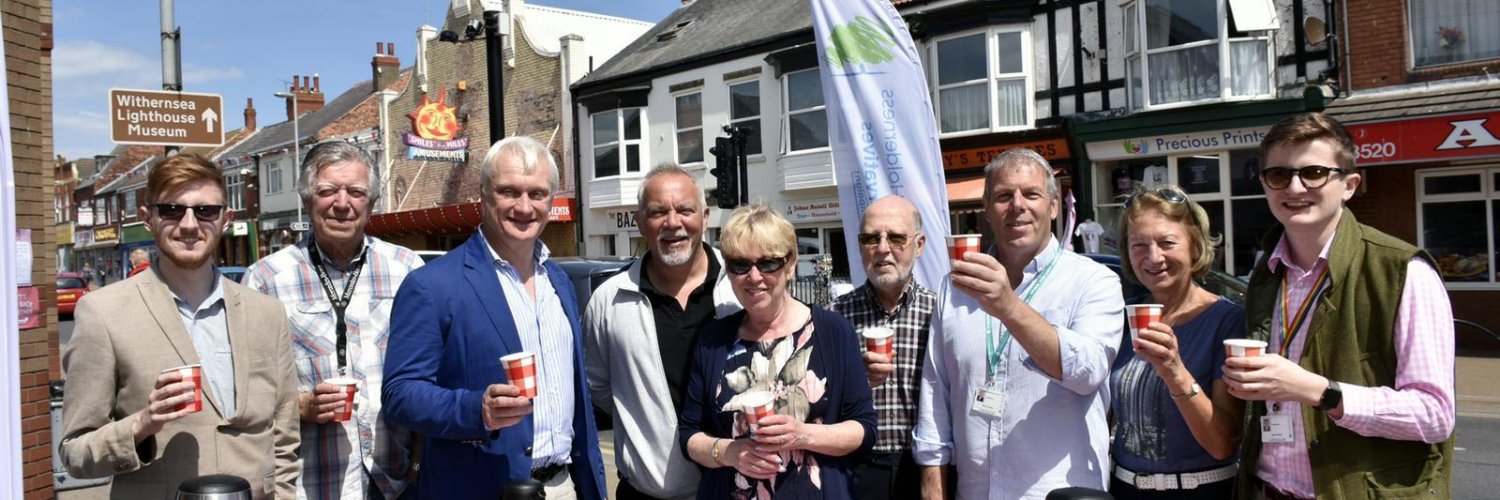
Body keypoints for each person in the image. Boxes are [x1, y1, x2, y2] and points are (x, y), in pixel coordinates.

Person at [1223, 113, 1455, 499]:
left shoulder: (1402, 270)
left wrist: (1321, 392)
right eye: (1278, 175)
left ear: (1349, 185)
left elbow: (1434, 415)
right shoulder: (1266, 273)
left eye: (1313, 172)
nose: (1295, 187)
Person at [58, 154, 300, 499]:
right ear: (148, 219)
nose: (189, 224)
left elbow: (285, 436)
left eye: (205, 211)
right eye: (172, 210)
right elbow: (76, 453)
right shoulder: (102, 313)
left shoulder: (267, 313)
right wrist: (142, 424)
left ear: (225, 219)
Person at [382, 135, 607, 499]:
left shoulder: (559, 282)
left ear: (551, 200)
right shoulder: (432, 285)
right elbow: (400, 394)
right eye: (509, 192)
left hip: (563, 486)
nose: (524, 206)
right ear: (484, 195)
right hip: (482, 488)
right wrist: (477, 409)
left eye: (537, 194)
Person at [914, 148, 1124, 499]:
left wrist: (1009, 306)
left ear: (1053, 207)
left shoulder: (1093, 280)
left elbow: (1088, 372)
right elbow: (935, 393)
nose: (1017, 205)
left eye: (1031, 194)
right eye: (1002, 196)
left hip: (1058, 493)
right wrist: (933, 489)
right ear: (987, 209)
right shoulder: (955, 288)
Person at [244, 141, 424, 499]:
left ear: (371, 204)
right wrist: (299, 406)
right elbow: (244, 390)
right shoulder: (265, 279)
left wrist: (419, 465)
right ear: (308, 200)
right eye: (327, 191)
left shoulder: (407, 270)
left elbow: (430, 371)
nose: (342, 204)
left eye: (356, 192)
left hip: (396, 481)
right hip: (309, 485)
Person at [677, 204, 876, 499]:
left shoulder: (832, 331)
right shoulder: (713, 340)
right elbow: (689, 435)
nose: (754, 276)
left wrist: (803, 434)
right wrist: (729, 453)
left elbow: (865, 429)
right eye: (740, 265)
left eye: (768, 263)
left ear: (791, 264)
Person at [584, 164, 741, 500]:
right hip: (647, 493)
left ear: (705, 216)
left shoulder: (741, 287)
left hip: (740, 489)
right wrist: (644, 416)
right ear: (641, 222)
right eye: (658, 212)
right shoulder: (609, 300)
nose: (673, 222)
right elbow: (598, 387)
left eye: (685, 209)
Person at [1108, 183, 1245, 498]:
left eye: (1167, 242)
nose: (1153, 257)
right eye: (1138, 245)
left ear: (1195, 247)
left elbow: (1223, 443)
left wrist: (1174, 369)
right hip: (1124, 489)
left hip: (1200, 491)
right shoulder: (1123, 318)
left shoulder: (1227, 320)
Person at [829, 195, 936, 500]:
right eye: (871, 238)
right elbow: (815, 402)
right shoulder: (833, 317)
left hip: (923, 468)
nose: (883, 248)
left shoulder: (940, 312)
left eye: (897, 237)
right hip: (855, 467)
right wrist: (854, 381)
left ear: (919, 245)